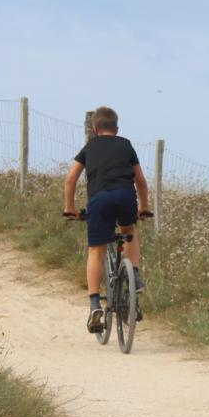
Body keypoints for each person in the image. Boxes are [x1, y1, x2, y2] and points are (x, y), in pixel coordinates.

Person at [65, 106, 152, 333]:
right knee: (128, 230)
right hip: (125, 196)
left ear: (94, 129)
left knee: (97, 250)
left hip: (100, 199)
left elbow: (71, 179)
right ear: (117, 128)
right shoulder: (126, 144)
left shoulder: (89, 146)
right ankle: (134, 276)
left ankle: (95, 304)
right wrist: (144, 206)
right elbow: (141, 181)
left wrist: (70, 208)